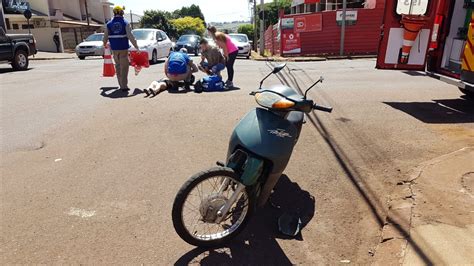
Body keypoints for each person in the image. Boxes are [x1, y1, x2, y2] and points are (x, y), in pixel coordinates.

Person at [102, 5, 139, 92]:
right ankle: (124, 86)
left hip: (114, 49)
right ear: (122, 12)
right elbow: (130, 36)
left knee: (118, 66)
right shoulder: (125, 23)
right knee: (124, 67)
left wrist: (104, 44)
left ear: (114, 13)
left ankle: (120, 84)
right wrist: (136, 46)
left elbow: (105, 37)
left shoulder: (109, 24)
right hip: (123, 49)